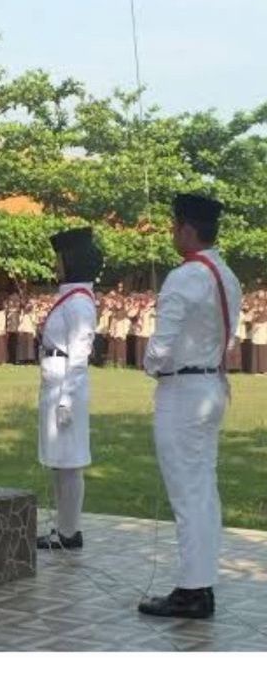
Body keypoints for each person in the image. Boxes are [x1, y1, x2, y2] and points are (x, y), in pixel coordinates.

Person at [139, 194, 242, 620]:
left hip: (183, 391)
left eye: (173, 225)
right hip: (210, 384)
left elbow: (161, 347)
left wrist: (149, 363)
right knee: (202, 491)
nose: (171, 232)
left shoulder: (185, 277)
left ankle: (192, 590)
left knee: (188, 493)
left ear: (185, 228)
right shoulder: (226, 274)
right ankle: (201, 583)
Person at [36, 227, 103, 552]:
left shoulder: (79, 304)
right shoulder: (71, 297)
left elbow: (79, 354)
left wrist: (66, 398)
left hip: (67, 384)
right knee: (60, 462)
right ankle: (63, 528)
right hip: (55, 380)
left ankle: (70, 531)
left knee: (70, 461)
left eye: (59, 258)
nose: (55, 265)